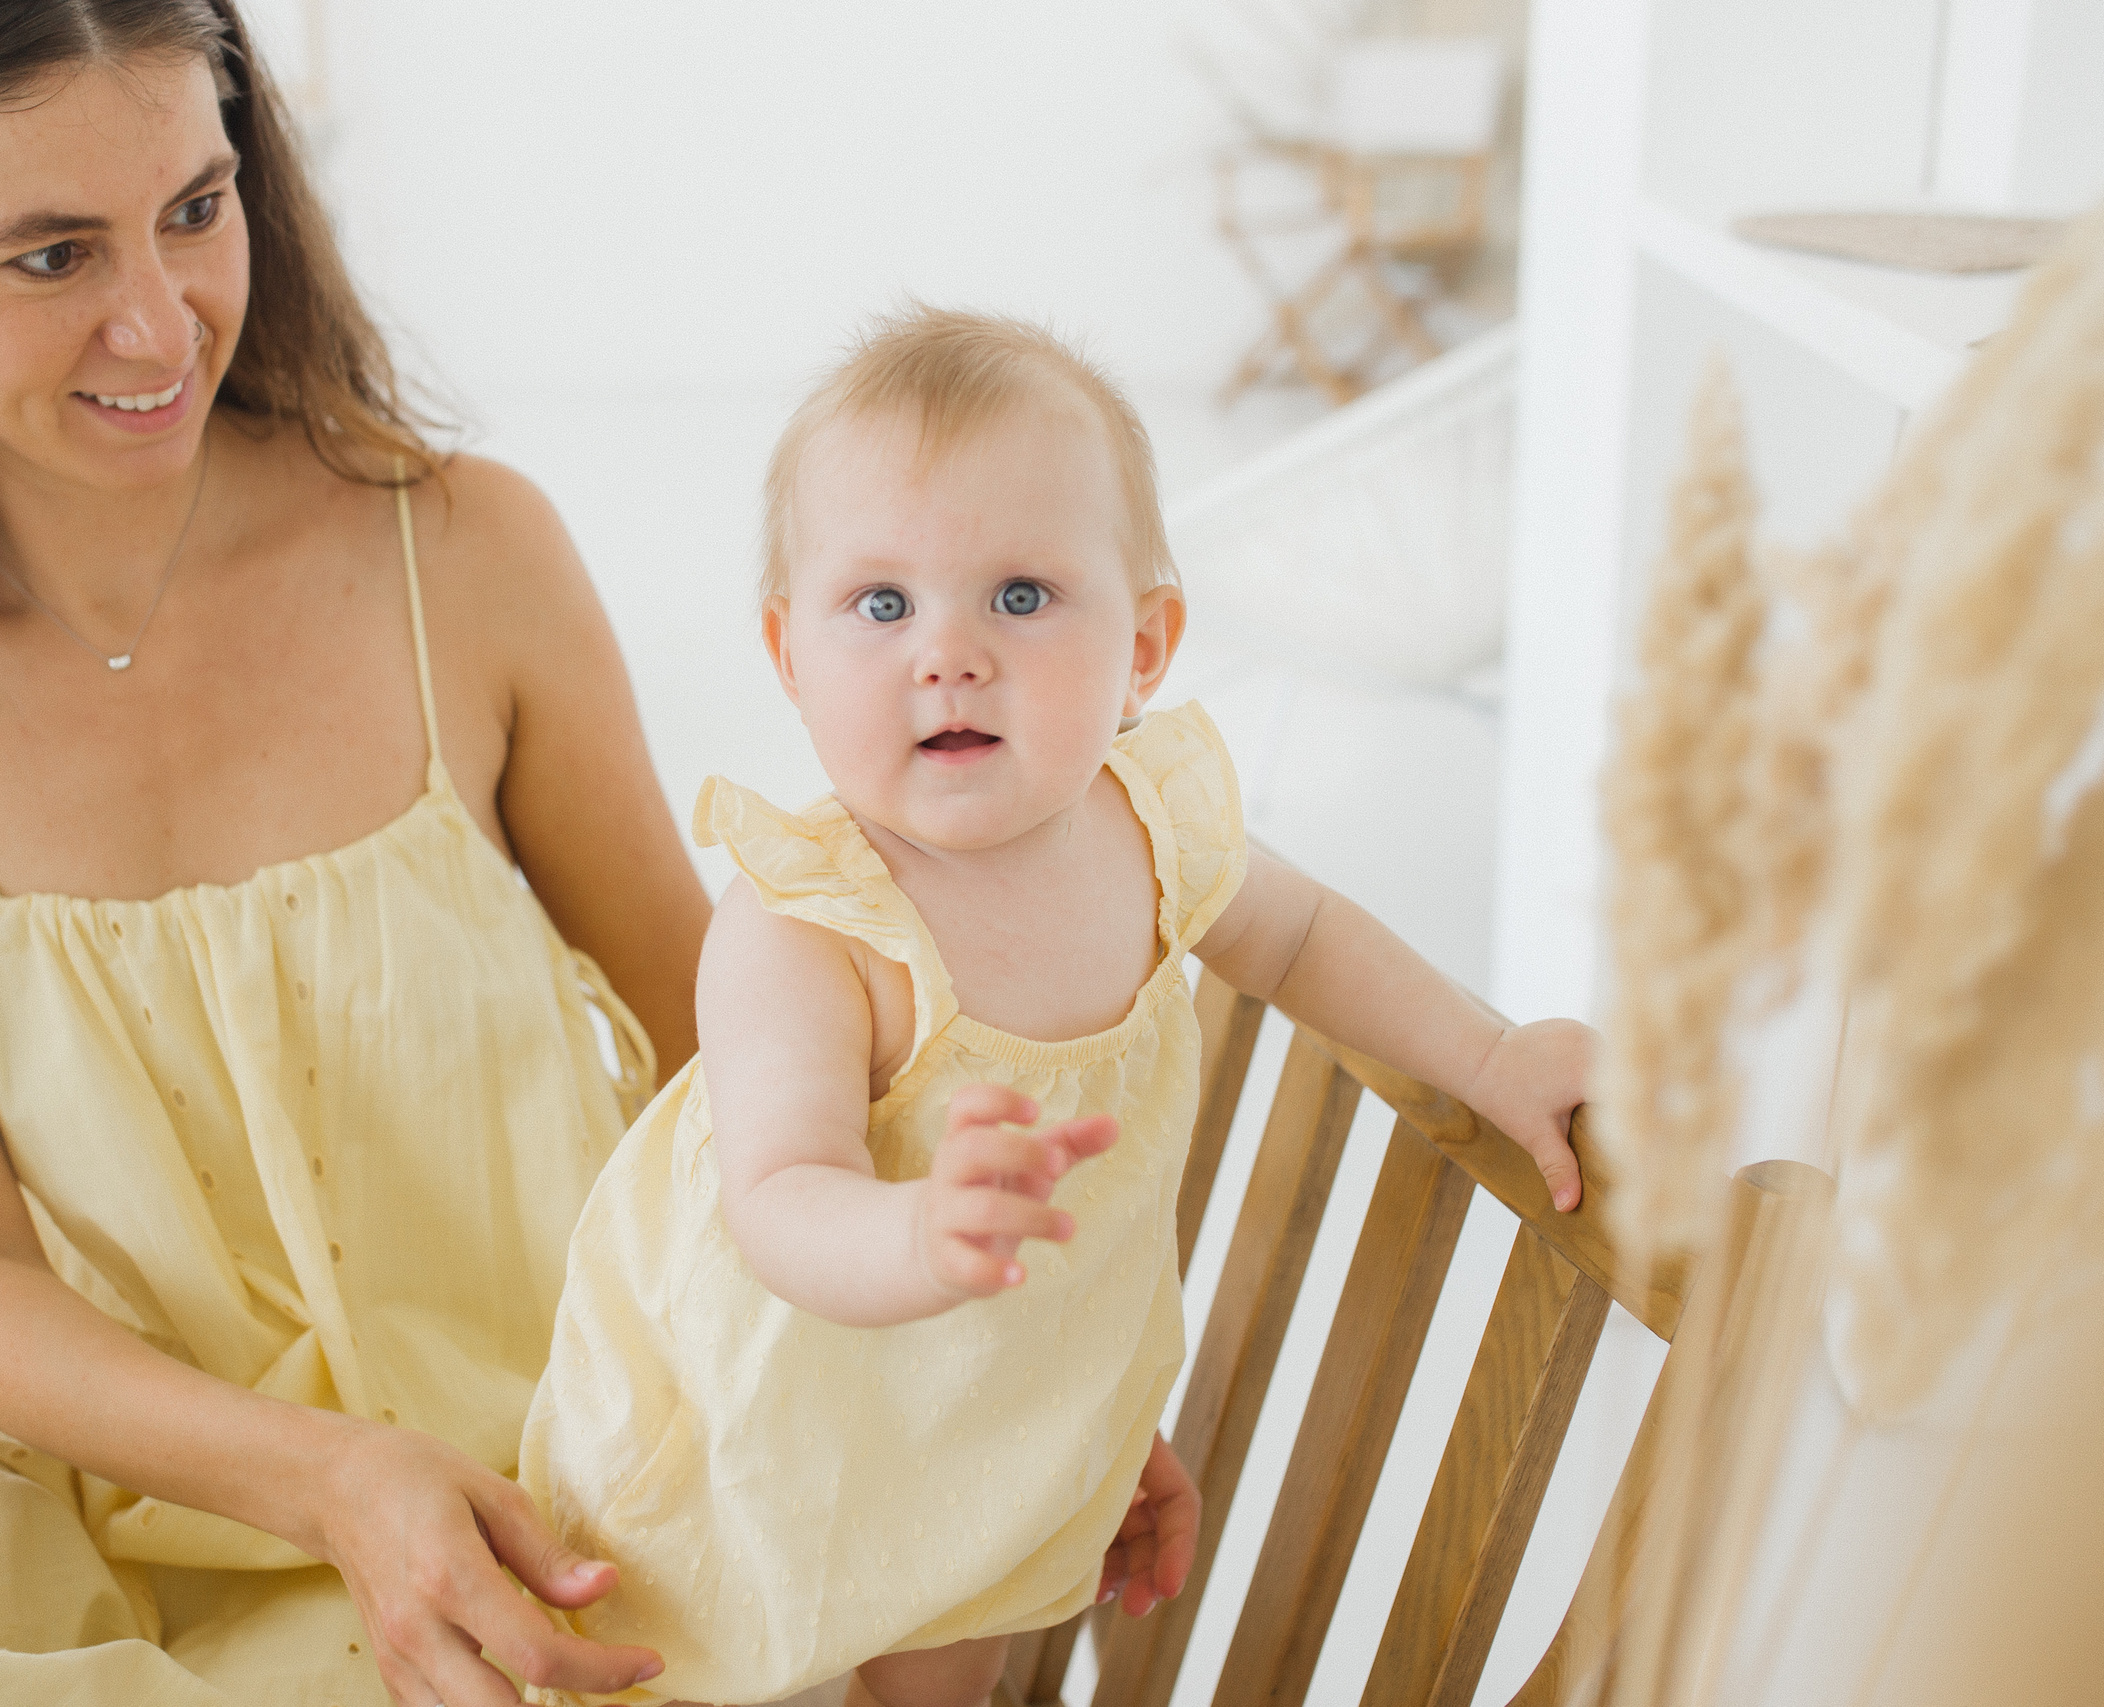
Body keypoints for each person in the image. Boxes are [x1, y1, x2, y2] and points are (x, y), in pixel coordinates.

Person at [0, 3, 717, 1703]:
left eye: (194, 206)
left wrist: (973, 1372)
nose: (160, 323)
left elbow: (716, 1039)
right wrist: (321, 1474)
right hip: (68, 1462)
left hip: (531, 1447)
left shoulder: (458, 550)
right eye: (48, 256)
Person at [516, 308, 1597, 1707]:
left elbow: (1312, 937)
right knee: (708, 1668)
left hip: (1002, 1423)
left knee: (956, 1661)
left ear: (1147, 644)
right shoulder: (806, 918)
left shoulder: (1156, 830)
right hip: (761, 1435)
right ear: (791, 655)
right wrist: (919, 1230)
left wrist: (1491, 1052)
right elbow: (777, 1193)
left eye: (1020, 596)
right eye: (883, 604)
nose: (949, 653)